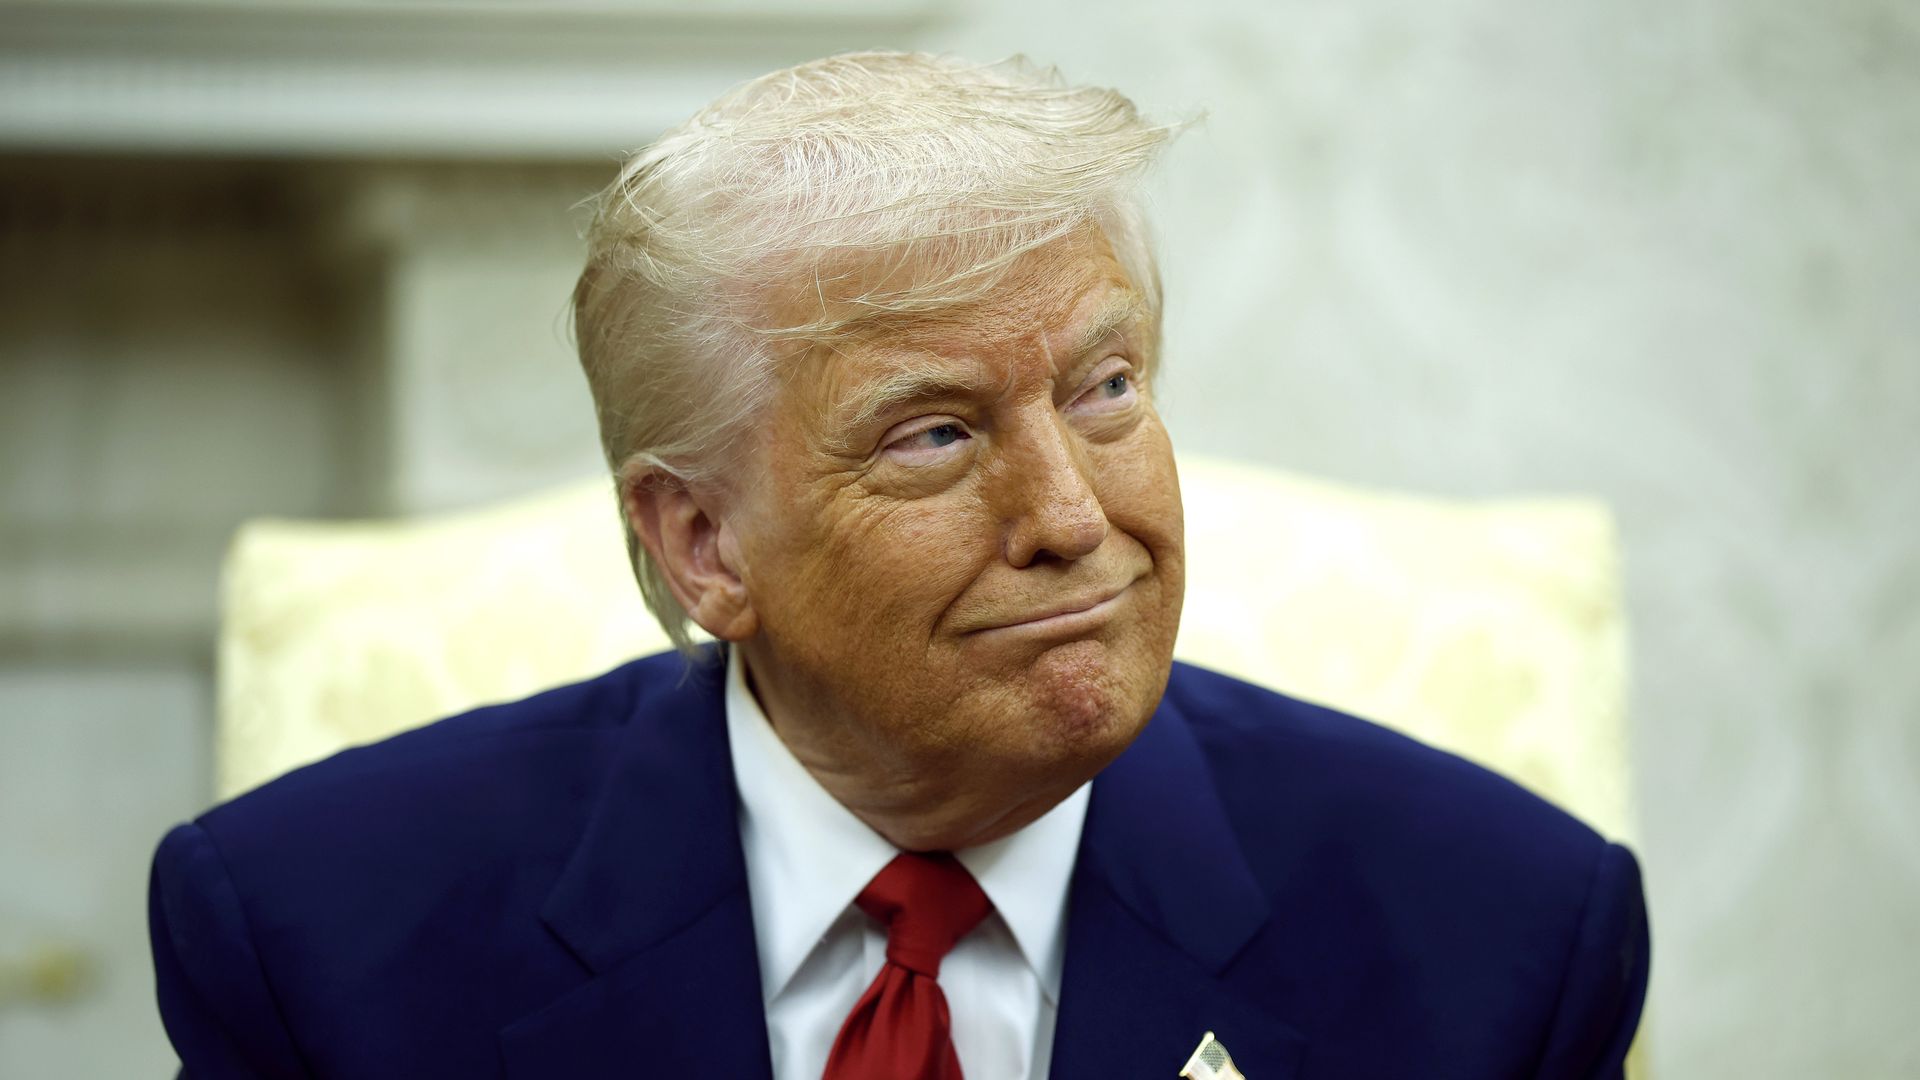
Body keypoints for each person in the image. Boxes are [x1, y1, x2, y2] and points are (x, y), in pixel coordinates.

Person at [148, 51, 1649, 1079]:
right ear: (702, 542)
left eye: (1106, 388)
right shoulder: (316, 943)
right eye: (933, 434)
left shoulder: (1500, 937)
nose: (1072, 515)